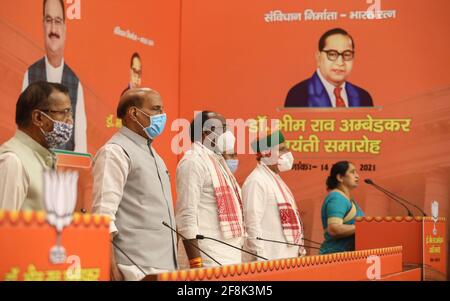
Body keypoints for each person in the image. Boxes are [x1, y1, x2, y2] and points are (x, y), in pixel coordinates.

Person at [92, 88, 177, 281]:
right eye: (156, 109)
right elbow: (103, 218)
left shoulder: (155, 155)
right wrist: (109, 269)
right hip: (134, 270)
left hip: (162, 269)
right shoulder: (115, 152)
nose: (162, 116)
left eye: (163, 109)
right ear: (133, 113)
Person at [176, 111, 245, 268]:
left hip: (229, 256)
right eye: (224, 128)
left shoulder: (216, 160)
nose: (229, 134)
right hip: (207, 259)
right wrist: (196, 262)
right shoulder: (193, 161)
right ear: (206, 132)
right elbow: (186, 214)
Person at [22, 0, 87, 152]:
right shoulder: (30, 74)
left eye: (58, 21)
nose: (53, 28)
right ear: (43, 25)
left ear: (64, 28)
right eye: (48, 20)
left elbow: (80, 146)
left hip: (64, 173)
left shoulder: (76, 83)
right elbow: (23, 131)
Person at [0, 81, 73, 210]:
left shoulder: (45, 158)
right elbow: (4, 227)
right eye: (63, 112)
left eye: (70, 113)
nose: (70, 120)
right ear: (38, 118)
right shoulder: (13, 161)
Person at [242, 130, 306, 261]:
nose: (288, 153)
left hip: (287, 260)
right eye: (282, 149)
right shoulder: (256, 181)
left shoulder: (277, 181)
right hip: (269, 262)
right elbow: (251, 224)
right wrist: (262, 260)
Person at [285, 28, 373, 108]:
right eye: (332, 54)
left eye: (347, 54)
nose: (340, 62)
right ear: (318, 57)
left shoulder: (363, 97)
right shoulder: (299, 95)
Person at [319, 161, 365, 254]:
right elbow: (334, 229)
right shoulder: (337, 198)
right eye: (352, 172)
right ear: (340, 177)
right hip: (334, 258)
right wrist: (362, 227)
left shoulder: (346, 199)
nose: (357, 176)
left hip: (347, 257)